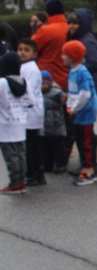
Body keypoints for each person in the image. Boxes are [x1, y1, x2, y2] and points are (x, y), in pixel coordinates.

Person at [63, 40, 97, 186]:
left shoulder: (82, 72)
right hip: (78, 113)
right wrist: (69, 106)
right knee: (80, 140)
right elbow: (73, 93)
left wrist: (74, 108)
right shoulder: (72, 71)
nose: (62, 57)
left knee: (86, 142)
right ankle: (85, 165)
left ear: (72, 56)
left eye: (65, 54)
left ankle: (89, 170)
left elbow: (85, 94)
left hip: (85, 114)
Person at [17, 39, 45, 186]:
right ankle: (38, 173)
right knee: (32, 144)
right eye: (20, 49)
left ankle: (32, 174)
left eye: (26, 50)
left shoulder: (31, 69)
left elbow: (28, 91)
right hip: (29, 111)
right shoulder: (24, 67)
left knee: (30, 145)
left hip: (31, 112)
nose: (22, 52)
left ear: (34, 53)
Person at [0, 52, 29, 194]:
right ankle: (22, 181)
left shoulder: (2, 82)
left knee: (11, 156)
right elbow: (30, 101)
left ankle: (14, 183)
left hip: (5, 124)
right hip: (20, 123)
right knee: (20, 154)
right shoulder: (24, 82)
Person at [32, 0, 69, 91]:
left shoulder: (45, 31)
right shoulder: (70, 28)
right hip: (68, 79)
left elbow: (31, 48)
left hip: (48, 80)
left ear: (47, 12)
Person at [39, 70, 67, 172]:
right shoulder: (38, 93)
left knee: (58, 147)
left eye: (43, 83)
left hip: (56, 123)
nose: (41, 86)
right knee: (45, 147)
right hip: (44, 125)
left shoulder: (57, 92)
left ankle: (61, 164)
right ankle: (47, 164)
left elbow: (64, 101)